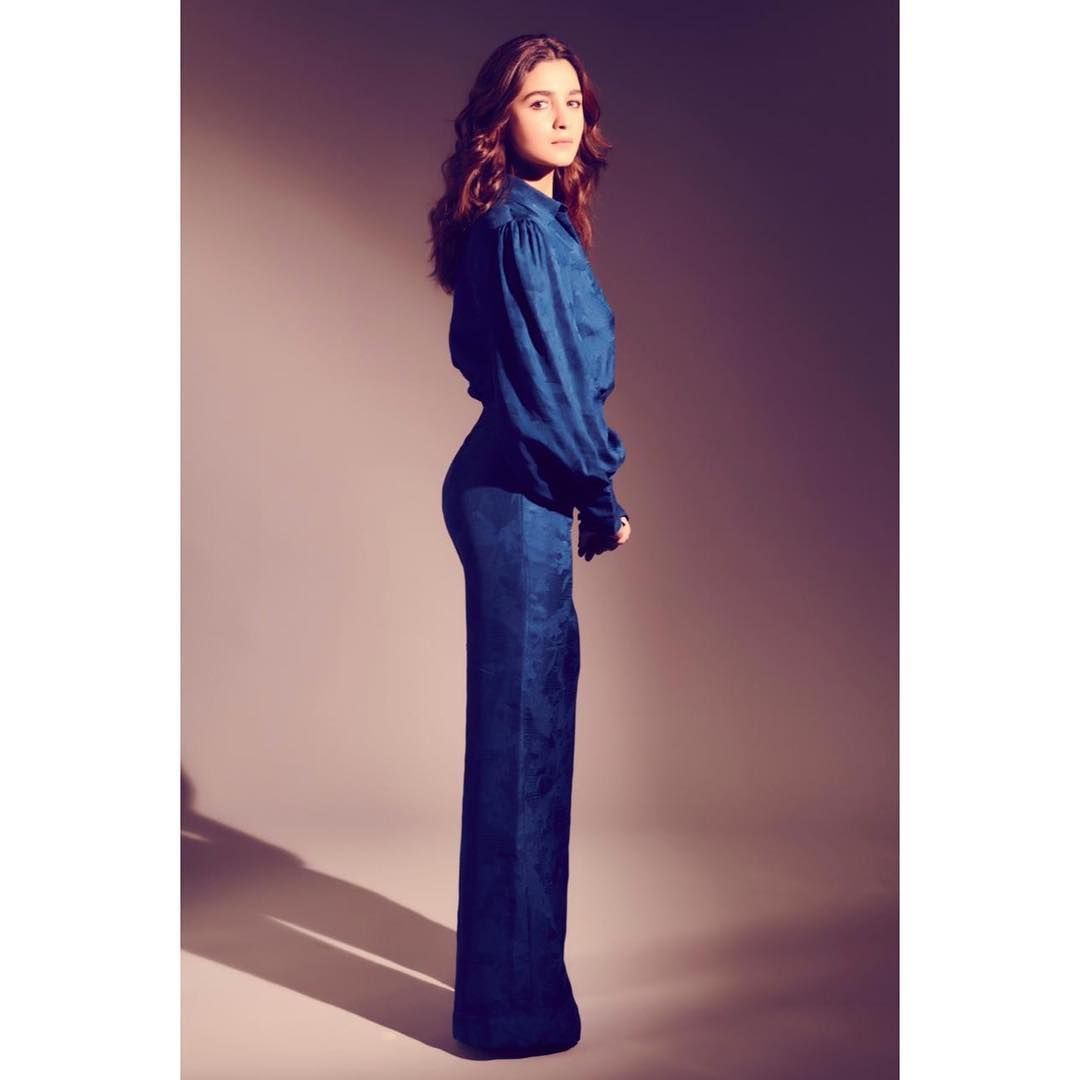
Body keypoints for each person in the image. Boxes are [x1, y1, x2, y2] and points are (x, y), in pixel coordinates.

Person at [427, 33, 631, 1056]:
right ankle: (507, 1012)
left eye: (572, 102)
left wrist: (581, 484)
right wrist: (599, 491)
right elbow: (547, 391)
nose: (560, 117)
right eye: (536, 101)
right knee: (523, 751)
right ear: (497, 119)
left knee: (538, 741)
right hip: (518, 495)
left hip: (518, 487)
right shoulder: (517, 229)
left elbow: (493, 364)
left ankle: (516, 990)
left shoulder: (535, 225)